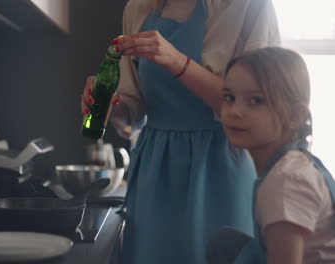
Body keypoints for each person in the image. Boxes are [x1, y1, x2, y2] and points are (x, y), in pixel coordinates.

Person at [81, 0, 280, 263]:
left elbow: (258, 108)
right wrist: (110, 104)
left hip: (221, 169)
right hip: (156, 170)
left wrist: (178, 62)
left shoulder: (250, 6)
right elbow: (134, 109)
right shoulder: (138, 9)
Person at [212, 46, 335, 264]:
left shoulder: (286, 181)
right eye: (229, 97)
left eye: (255, 101)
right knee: (224, 242)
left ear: (295, 116)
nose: (235, 111)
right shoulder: (295, 163)